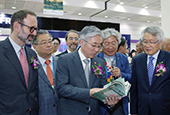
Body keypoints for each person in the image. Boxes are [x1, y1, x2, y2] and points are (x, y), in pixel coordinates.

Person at [56, 25, 120, 115]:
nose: (97, 49)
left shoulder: (99, 63)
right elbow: (62, 88)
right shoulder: (65, 60)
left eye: (99, 46)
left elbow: (103, 86)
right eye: (94, 45)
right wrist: (89, 92)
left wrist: (109, 101)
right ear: (82, 42)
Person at [0, 10, 39, 115]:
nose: (34, 33)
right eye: (31, 29)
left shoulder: (32, 54)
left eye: (35, 29)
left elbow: (34, 86)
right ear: (17, 26)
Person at [130, 26, 170, 115]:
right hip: (142, 109)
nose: (147, 45)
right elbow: (134, 88)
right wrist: (133, 111)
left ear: (160, 43)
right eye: (145, 42)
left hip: (164, 109)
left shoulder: (168, 58)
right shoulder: (137, 60)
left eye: (151, 42)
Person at [96, 28, 131, 115]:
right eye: (107, 44)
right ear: (101, 44)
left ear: (118, 44)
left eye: (113, 44)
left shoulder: (123, 58)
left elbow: (131, 77)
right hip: (101, 103)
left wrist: (121, 74)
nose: (110, 47)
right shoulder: (96, 59)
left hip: (119, 103)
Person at [32, 30, 59, 115]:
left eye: (50, 41)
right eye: (44, 43)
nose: (49, 45)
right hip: (41, 110)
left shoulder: (61, 62)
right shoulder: (31, 65)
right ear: (35, 47)